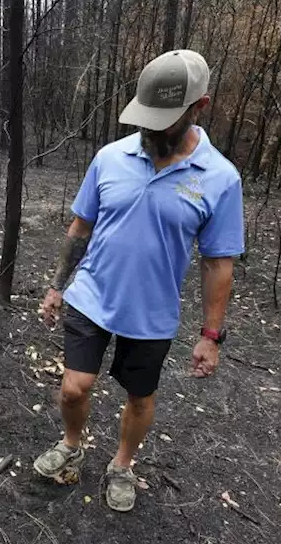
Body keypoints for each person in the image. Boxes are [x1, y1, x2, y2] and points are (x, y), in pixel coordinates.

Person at [33, 49, 244, 512]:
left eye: (164, 120)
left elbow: (217, 264)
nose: (151, 130)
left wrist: (211, 336)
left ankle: (122, 465)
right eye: (146, 117)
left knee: (140, 397)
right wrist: (56, 286)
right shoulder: (110, 158)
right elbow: (80, 229)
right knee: (74, 387)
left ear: (199, 108)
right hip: (92, 295)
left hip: (152, 313)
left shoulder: (221, 179)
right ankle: (72, 444)